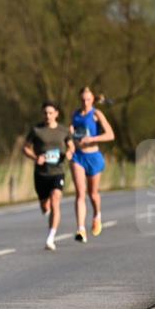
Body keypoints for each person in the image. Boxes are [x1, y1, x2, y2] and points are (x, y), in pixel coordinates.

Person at [23, 101, 74, 250]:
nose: (48, 116)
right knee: (45, 206)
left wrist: (70, 153)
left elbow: (71, 146)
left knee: (55, 200)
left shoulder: (63, 130)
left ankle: (50, 238)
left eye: (50, 113)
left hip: (57, 172)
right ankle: (46, 209)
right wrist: (35, 157)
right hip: (41, 173)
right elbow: (25, 148)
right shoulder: (36, 130)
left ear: (56, 114)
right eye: (45, 113)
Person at [69, 87, 115, 243]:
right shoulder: (75, 115)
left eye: (88, 100)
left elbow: (110, 135)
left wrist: (93, 139)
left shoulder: (96, 114)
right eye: (82, 100)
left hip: (93, 156)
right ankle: (81, 229)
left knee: (93, 194)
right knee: (80, 193)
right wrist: (71, 137)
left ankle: (97, 215)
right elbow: (73, 133)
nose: (85, 102)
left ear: (93, 100)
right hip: (78, 156)